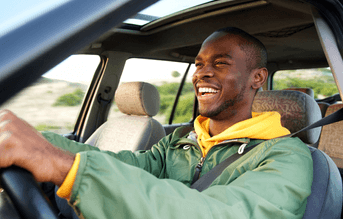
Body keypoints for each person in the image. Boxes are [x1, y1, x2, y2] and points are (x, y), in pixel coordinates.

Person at [0, 27, 313, 219]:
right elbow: (128, 166)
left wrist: (66, 168)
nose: (202, 73)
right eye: (200, 64)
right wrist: (38, 142)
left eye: (220, 64)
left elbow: (221, 214)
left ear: (258, 77)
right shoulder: (182, 139)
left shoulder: (286, 158)